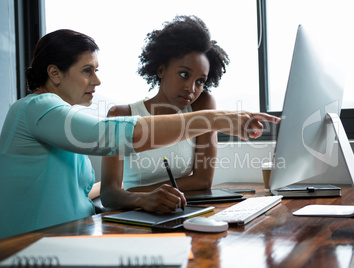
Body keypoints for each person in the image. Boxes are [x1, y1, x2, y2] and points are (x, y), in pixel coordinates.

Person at [0, 29, 279, 239]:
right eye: (87, 71)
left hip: (77, 237)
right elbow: (111, 135)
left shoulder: (56, 117)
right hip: (34, 247)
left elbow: (87, 191)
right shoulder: (36, 107)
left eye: (96, 71)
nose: (97, 80)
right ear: (55, 73)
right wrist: (216, 119)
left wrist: (136, 197)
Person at [101, 15, 229, 210]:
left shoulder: (201, 105)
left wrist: (145, 192)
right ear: (161, 70)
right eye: (184, 74)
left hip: (181, 212)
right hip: (136, 217)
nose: (191, 88)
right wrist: (145, 198)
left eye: (200, 81)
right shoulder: (121, 115)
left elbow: (203, 180)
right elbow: (109, 194)